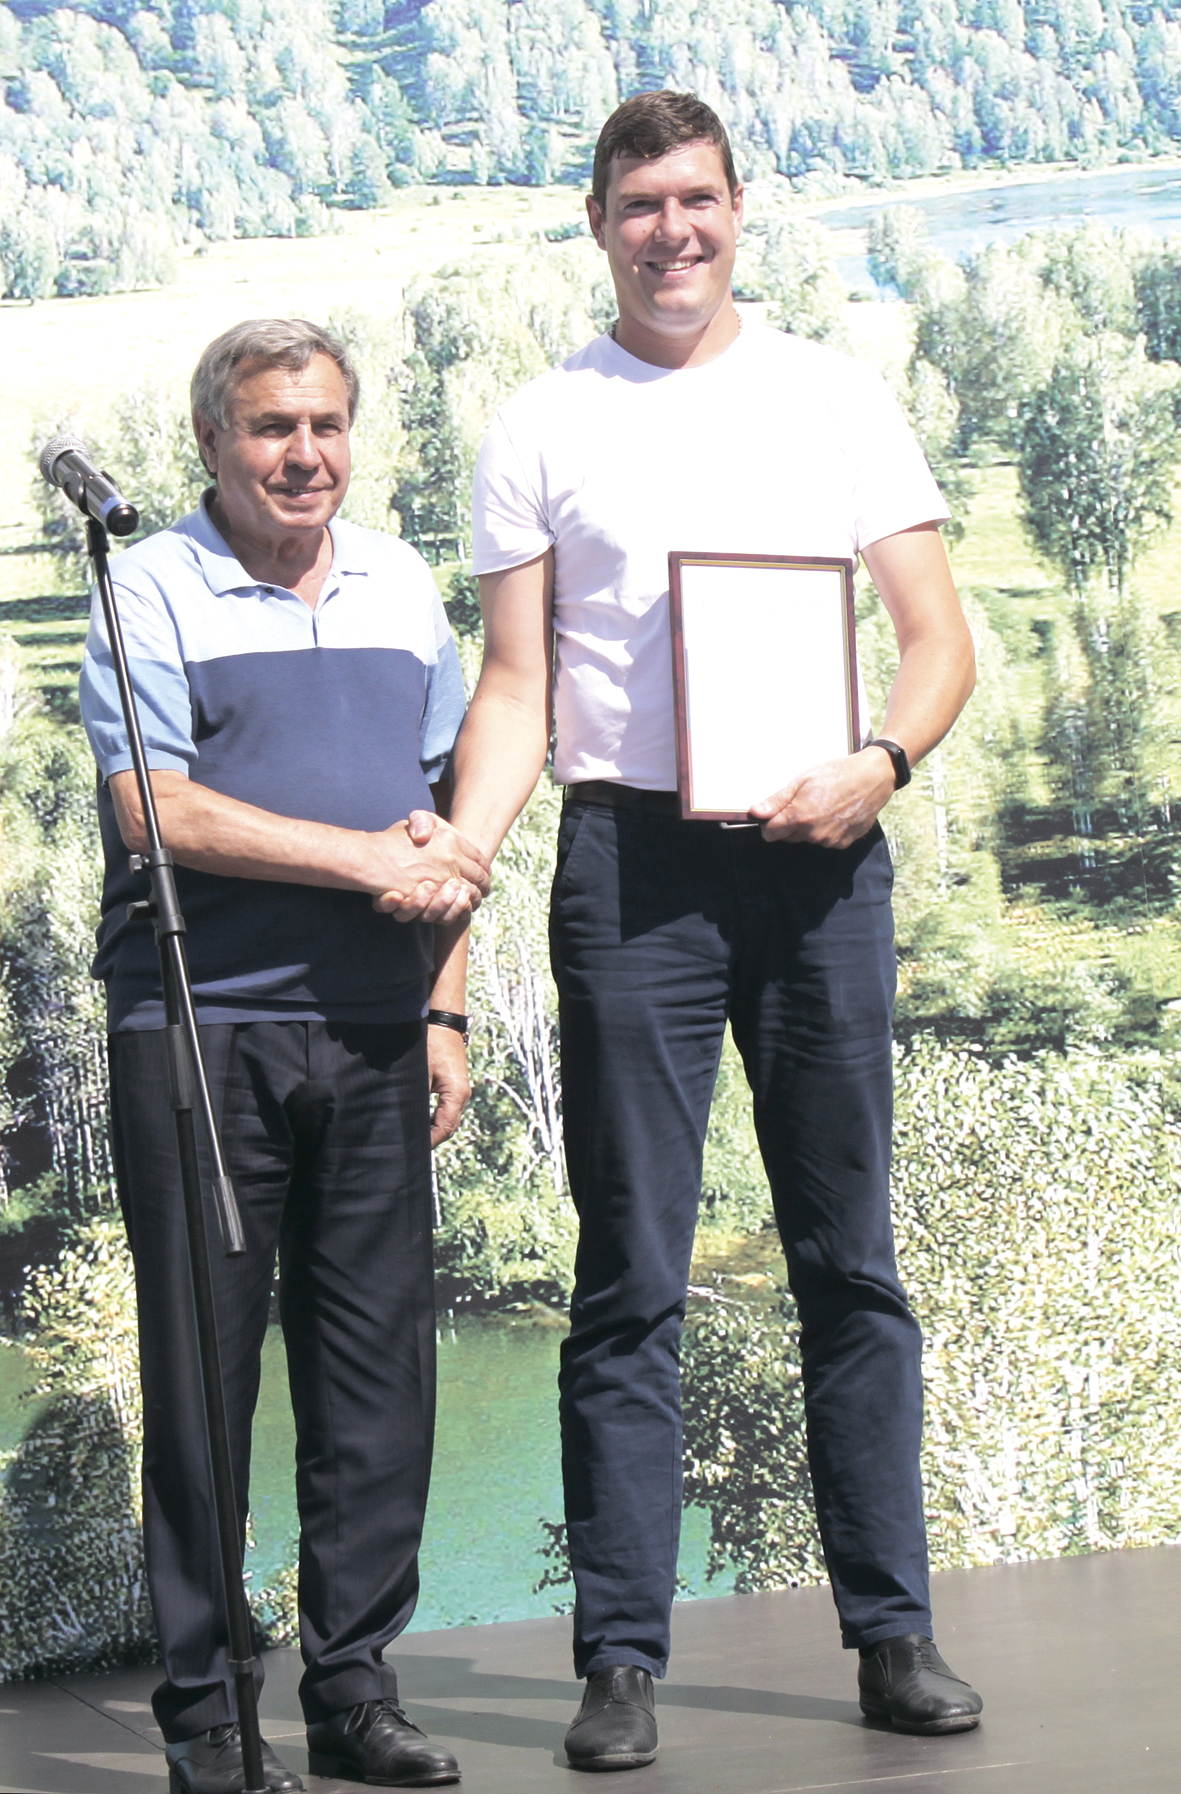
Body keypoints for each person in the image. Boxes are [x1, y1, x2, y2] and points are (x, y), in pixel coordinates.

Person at [450, 92, 983, 1772]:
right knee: (629, 1281)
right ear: (596, 224)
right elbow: (521, 688)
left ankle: (892, 1633)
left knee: (849, 1263)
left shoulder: (831, 396)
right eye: (635, 205)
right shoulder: (537, 424)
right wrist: (456, 859)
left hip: (822, 859)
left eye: (693, 200)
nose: (668, 230)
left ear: (737, 209)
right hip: (631, 873)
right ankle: (619, 1658)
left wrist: (879, 764)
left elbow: (934, 639)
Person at [79, 318, 488, 1794]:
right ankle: (205, 1712)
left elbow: (441, 820)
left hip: (379, 1033)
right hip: (201, 1034)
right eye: (269, 427)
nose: (301, 453)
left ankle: (355, 1686)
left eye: (323, 423)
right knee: (203, 1388)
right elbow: (157, 813)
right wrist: (361, 860)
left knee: (376, 1381)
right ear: (212, 442)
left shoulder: (401, 584)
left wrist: (444, 1005)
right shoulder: (145, 587)